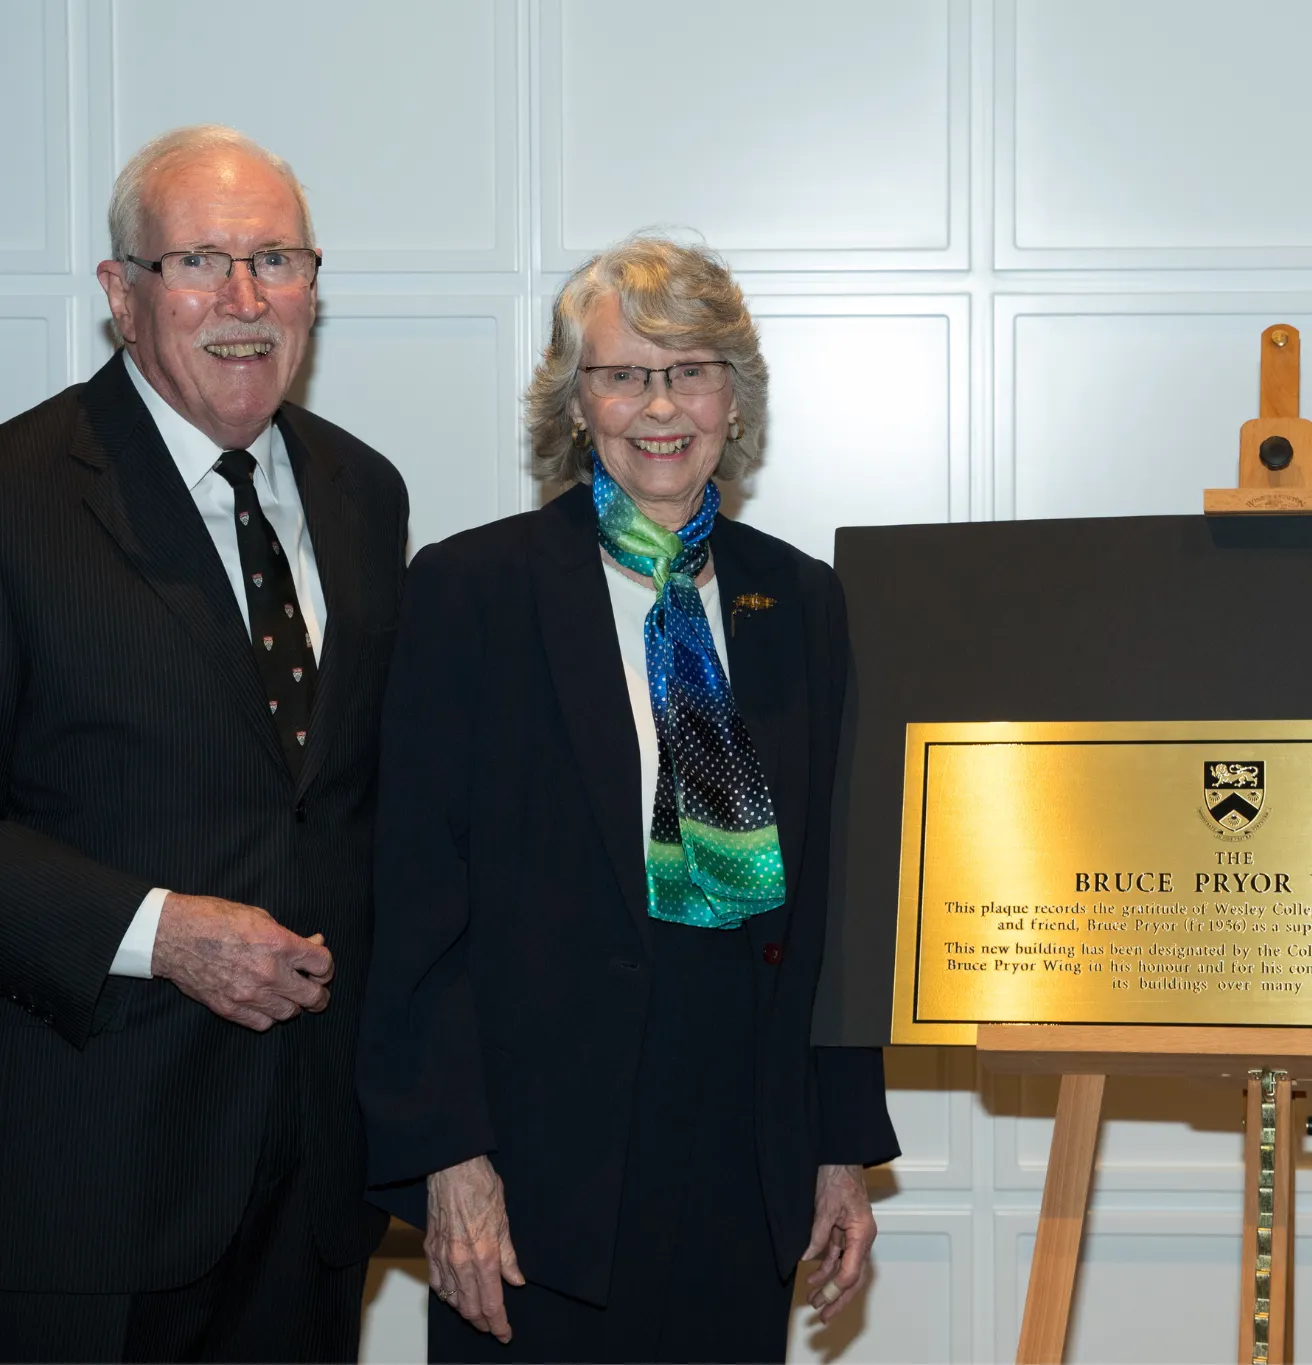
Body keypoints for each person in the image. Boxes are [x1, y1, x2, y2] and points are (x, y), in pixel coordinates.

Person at [0, 125, 407, 1363]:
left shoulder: (367, 494)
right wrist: (160, 933)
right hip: (83, 1188)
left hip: (312, 1190)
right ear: (121, 294)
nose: (245, 301)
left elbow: (345, 809)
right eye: (200, 260)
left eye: (279, 260)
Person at [357, 234, 899, 1364]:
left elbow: (840, 905)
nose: (659, 406)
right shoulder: (469, 593)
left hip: (740, 1151)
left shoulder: (800, 601)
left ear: (733, 400)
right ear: (575, 402)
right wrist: (449, 1157)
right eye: (621, 374)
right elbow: (414, 899)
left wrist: (837, 1145)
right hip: (532, 1168)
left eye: (689, 369)